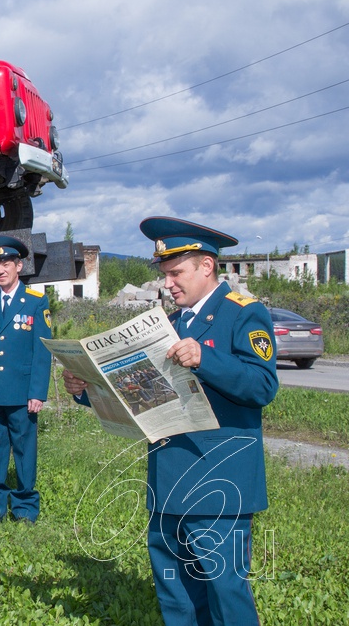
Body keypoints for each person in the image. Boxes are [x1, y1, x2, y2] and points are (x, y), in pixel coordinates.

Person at [64, 217, 278, 626]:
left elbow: (263, 386)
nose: (169, 284)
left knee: (225, 591)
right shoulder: (171, 323)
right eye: (165, 275)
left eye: (176, 273)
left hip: (220, 482)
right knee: (176, 593)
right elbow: (142, 395)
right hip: (168, 481)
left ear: (206, 266)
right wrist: (84, 389)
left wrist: (206, 359)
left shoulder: (243, 315)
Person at [0, 236, 52, 523]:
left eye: (6, 264)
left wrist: (38, 392)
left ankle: (26, 507)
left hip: (21, 391)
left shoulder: (36, 302)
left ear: (19, 265)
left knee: (24, 450)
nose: (1, 269)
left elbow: (42, 352)